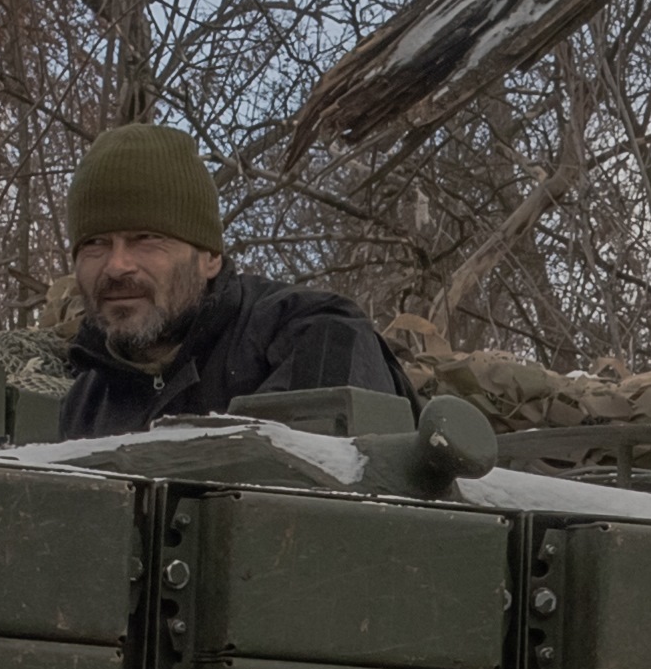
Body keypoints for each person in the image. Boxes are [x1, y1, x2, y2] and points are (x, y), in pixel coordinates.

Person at [50, 123, 400, 435]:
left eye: (146, 239)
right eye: (95, 244)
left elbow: (317, 486)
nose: (117, 266)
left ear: (210, 257)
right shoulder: (88, 397)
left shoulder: (314, 332)